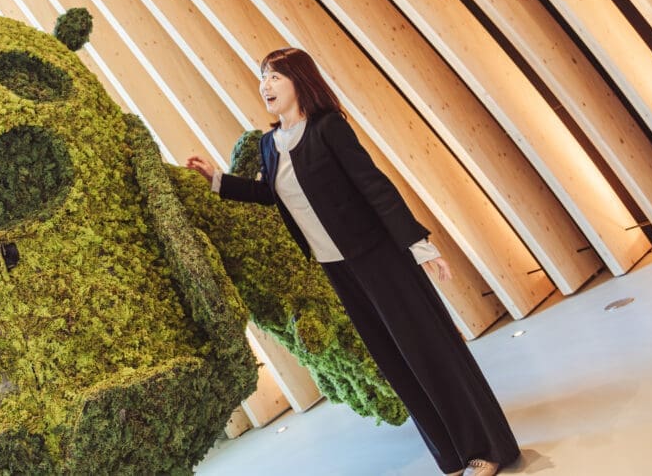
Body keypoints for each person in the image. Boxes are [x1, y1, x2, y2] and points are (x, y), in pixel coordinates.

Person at [186, 47, 520, 476]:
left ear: (298, 82)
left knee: (429, 351)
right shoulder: (270, 144)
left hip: (380, 258)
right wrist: (217, 180)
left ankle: (486, 448)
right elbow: (271, 193)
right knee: (394, 361)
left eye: (274, 77)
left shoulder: (328, 129)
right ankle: (451, 454)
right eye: (263, 77)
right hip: (338, 269)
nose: (264, 85)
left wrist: (419, 244)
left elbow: (374, 187)